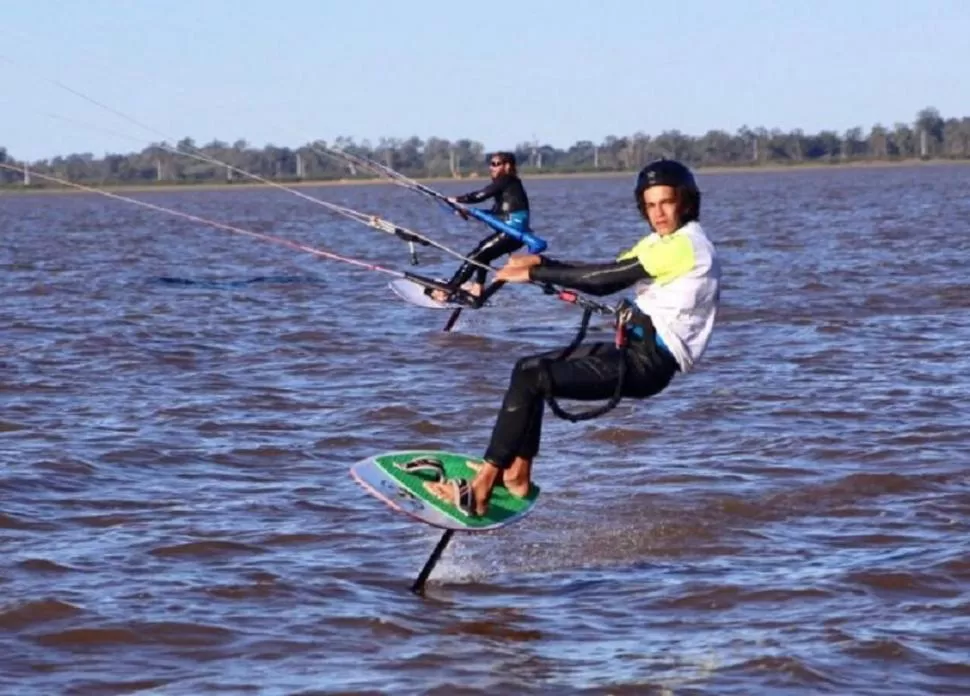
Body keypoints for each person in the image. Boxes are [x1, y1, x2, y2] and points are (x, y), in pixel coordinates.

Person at [424, 158, 721, 517]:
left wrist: (535, 274)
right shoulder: (661, 242)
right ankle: (516, 474)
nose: (657, 213)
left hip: (647, 364)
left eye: (666, 203)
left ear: (686, 202)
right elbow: (597, 271)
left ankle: (481, 489)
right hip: (631, 350)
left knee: (534, 378)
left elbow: (605, 281)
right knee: (528, 369)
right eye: (650, 205)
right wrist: (541, 263)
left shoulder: (687, 246)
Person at [428, 151, 532, 304]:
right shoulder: (510, 185)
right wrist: (465, 210)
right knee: (483, 255)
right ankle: (478, 288)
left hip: (512, 233)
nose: (492, 168)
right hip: (512, 235)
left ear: (507, 166)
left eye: (496, 164)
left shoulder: (506, 179)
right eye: (491, 164)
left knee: (474, 256)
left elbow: (481, 195)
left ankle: (448, 290)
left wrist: (457, 199)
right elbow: (497, 213)